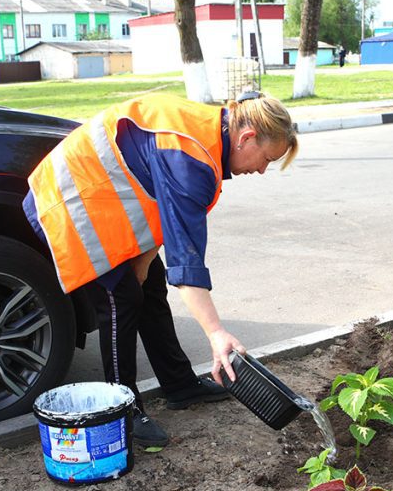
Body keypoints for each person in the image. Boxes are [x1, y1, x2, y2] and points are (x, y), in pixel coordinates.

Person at [23, 90, 299, 447]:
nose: (261, 170)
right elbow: (186, 262)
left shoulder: (206, 133)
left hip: (107, 201)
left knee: (150, 283)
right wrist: (216, 333)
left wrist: (143, 264)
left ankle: (179, 385)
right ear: (246, 137)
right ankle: (122, 410)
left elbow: (161, 216)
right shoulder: (190, 158)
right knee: (120, 298)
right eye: (267, 159)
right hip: (69, 203)